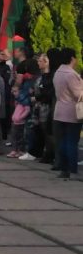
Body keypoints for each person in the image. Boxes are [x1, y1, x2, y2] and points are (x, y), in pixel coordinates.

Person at [52, 48, 83, 179]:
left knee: (63, 140)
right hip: (72, 111)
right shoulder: (71, 74)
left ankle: (64, 168)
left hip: (60, 110)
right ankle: (72, 169)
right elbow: (78, 95)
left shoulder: (58, 72)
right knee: (71, 141)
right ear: (72, 58)